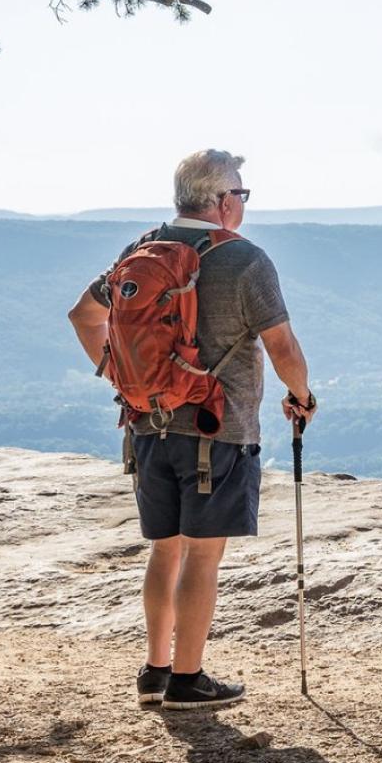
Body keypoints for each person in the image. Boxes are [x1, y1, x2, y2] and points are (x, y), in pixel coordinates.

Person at [67, 149, 316, 710]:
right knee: (203, 557)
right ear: (225, 202)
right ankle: (189, 678)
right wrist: (301, 397)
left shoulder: (142, 250)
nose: (244, 206)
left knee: (166, 550)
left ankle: (156, 671)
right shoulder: (246, 260)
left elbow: (83, 315)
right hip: (217, 429)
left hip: (147, 424)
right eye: (243, 196)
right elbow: (281, 346)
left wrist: (120, 376)